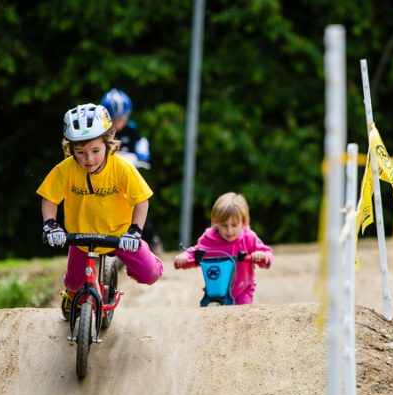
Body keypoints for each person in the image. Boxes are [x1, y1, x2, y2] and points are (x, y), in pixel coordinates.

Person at [38, 103, 163, 320]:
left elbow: (142, 200)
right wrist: (50, 224)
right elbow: (49, 197)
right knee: (73, 284)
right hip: (81, 237)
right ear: (71, 149)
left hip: (119, 235)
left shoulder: (121, 167)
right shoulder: (66, 169)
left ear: (109, 143)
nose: (89, 159)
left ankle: (140, 263)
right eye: (80, 152)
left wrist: (134, 231)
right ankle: (73, 295)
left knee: (150, 273)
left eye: (96, 151)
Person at [174, 192, 273, 305]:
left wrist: (261, 255)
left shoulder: (248, 238)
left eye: (234, 225)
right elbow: (195, 252)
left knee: (243, 313)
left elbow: (267, 253)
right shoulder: (209, 239)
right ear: (216, 223)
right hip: (216, 290)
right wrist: (184, 257)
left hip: (242, 290)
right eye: (224, 225)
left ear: (243, 222)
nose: (229, 231)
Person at [101, 88, 163, 253]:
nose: (117, 123)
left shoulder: (134, 132)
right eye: (113, 119)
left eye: (120, 119)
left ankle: (152, 239)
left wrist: (136, 158)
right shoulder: (100, 133)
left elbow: (143, 154)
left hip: (128, 178)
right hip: (105, 179)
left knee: (137, 207)